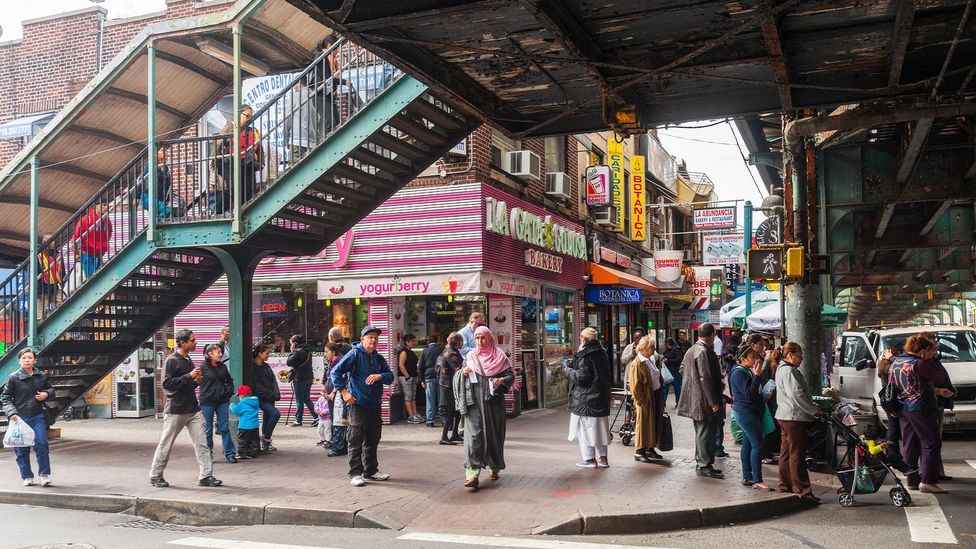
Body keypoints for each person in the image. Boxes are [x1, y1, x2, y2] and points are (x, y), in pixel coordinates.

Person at [149, 330, 223, 488]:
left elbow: (188, 384)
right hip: (175, 409)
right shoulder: (171, 361)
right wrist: (189, 376)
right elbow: (167, 384)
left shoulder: (188, 359)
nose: (196, 342)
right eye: (193, 340)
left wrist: (197, 381)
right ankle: (155, 475)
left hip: (193, 409)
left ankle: (206, 475)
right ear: (182, 343)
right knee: (166, 444)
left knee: (202, 443)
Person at [330, 325, 395, 487]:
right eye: (369, 337)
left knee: (373, 439)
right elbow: (335, 372)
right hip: (357, 404)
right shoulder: (355, 354)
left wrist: (380, 376)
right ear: (362, 339)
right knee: (355, 439)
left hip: (374, 404)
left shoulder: (378, 358)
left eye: (375, 337)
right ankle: (355, 473)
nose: (373, 340)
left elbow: (390, 377)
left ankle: (371, 470)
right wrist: (345, 393)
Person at [889, 335, 952, 493]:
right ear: (923, 351)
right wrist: (931, 360)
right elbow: (939, 377)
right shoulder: (919, 363)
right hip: (921, 407)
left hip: (903, 408)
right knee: (932, 442)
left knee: (910, 444)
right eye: (932, 351)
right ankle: (928, 481)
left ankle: (912, 480)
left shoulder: (896, 362)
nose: (933, 353)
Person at [458, 326, 517, 489]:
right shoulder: (470, 356)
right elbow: (458, 376)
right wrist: (463, 372)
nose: (480, 341)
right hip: (474, 404)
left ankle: (494, 466)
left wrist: (502, 380)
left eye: (483, 338)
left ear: (489, 338)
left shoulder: (500, 356)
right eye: (477, 338)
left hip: (493, 404)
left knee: (493, 435)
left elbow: (510, 376)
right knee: (473, 437)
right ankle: (472, 475)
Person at [773, 341, 822, 503]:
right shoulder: (789, 372)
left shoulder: (783, 370)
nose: (801, 359)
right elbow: (797, 394)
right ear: (790, 355)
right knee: (797, 454)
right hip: (793, 417)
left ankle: (786, 485)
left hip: (785, 415)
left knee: (786, 453)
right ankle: (802, 490)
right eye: (799, 356)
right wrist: (814, 410)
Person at [676, 323, 724, 479]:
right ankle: (704, 464)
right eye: (714, 335)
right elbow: (705, 378)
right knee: (705, 432)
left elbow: (682, 369)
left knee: (701, 431)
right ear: (710, 335)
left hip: (697, 397)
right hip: (703, 399)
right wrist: (713, 401)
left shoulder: (692, 349)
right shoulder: (703, 351)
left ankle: (702, 463)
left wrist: (692, 382)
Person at [1, 348, 54, 487]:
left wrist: (46, 394)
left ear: (34, 360)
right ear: (19, 360)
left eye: (30, 357)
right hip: (19, 418)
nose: (27, 360)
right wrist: (11, 412)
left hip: (37, 415)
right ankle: (27, 476)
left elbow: (51, 390)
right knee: (21, 448)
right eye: (24, 358)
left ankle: (44, 475)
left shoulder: (41, 375)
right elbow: (5, 398)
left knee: (41, 443)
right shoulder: (14, 377)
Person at [566, 327, 612, 468]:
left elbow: (582, 378)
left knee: (586, 430)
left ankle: (589, 459)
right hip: (600, 397)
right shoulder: (601, 352)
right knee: (601, 429)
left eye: (580, 337)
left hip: (585, 399)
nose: (579, 339)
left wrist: (567, 370)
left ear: (584, 339)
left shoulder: (584, 355)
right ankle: (603, 459)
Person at [730, 348, 771, 490]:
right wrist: (757, 376)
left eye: (756, 356)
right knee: (757, 445)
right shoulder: (738, 373)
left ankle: (748, 476)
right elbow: (749, 394)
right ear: (743, 358)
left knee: (748, 445)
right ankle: (758, 480)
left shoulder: (745, 371)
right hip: (746, 413)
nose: (756, 360)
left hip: (749, 412)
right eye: (752, 357)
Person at [918, 331, 955, 482]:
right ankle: (928, 473)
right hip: (927, 405)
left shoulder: (933, 360)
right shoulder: (921, 363)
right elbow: (917, 387)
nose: (936, 348)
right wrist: (941, 390)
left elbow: (942, 377)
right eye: (933, 345)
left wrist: (950, 388)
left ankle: (936, 471)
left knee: (935, 440)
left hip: (937, 403)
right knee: (930, 441)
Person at [214, 105, 262, 214]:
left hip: (247, 163)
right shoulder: (230, 126)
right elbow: (218, 143)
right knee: (232, 188)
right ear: (239, 114)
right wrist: (215, 164)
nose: (249, 118)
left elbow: (259, 147)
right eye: (247, 116)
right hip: (230, 162)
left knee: (249, 190)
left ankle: (243, 212)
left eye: (251, 116)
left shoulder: (252, 131)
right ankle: (218, 212)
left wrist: (260, 162)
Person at [198, 343, 237, 463]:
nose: (220, 354)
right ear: (210, 354)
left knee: (225, 428)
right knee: (208, 429)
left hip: (222, 401)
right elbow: (196, 382)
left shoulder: (222, 367)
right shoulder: (202, 367)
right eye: (218, 352)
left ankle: (230, 454)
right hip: (207, 402)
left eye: (221, 352)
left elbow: (229, 381)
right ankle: (208, 454)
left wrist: (228, 393)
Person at [629, 335, 665, 463]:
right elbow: (636, 385)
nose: (654, 349)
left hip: (654, 395)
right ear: (644, 348)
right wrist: (642, 401)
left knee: (652, 424)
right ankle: (640, 451)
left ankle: (650, 448)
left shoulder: (650, 359)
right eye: (652, 347)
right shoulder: (637, 363)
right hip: (645, 398)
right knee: (643, 425)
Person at [249, 341, 281, 452]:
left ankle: (265, 441)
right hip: (260, 398)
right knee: (275, 414)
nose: (269, 355)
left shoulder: (266, 366)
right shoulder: (253, 367)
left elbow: (273, 381)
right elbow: (256, 385)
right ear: (259, 353)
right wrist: (270, 394)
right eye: (267, 353)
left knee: (267, 418)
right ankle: (266, 438)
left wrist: (276, 393)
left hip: (270, 397)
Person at [437, 332, 464, 445]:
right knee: (451, 410)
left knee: (457, 409)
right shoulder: (451, 352)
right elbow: (457, 367)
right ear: (456, 342)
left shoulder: (452, 350)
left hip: (452, 384)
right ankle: (444, 437)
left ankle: (454, 434)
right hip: (448, 385)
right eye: (460, 341)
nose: (462, 343)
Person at [73, 202, 112, 278]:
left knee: (99, 278)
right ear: (96, 205)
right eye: (104, 204)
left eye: (107, 205)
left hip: (98, 253)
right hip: (87, 253)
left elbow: (109, 233)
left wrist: (104, 245)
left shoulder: (106, 220)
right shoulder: (86, 219)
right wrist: (78, 252)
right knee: (92, 279)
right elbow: (77, 237)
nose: (106, 207)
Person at [324, 343, 349, 457]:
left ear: (333, 352)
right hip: (332, 395)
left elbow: (340, 378)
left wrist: (333, 392)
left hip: (339, 396)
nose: (325, 355)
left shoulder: (340, 361)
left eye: (327, 352)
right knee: (336, 420)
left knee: (339, 420)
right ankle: (338, 444)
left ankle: (339, 446)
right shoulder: (331, 362)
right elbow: (329, 377)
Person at [287, 334, 317, 427]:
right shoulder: (308, 351)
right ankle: (317, 416)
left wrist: (292, 351)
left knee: (299, 400)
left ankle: (298, 420)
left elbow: (289, 362)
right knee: (306, 398)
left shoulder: (298, 352)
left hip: (299, 378)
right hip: (309, 377)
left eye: (291, 343)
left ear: (295, 344)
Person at [419, 335, 445, 428]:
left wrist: (422, 380)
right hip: (440, 377)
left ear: (427, 342)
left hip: (428, 377)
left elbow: (420, 366)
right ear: (437, 341)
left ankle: (430, 421)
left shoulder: (424, 351)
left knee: (430, 400)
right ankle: (443, 420)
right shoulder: (441, 350)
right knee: (441, 399)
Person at [397, 334, 422, 423]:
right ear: (407, 342)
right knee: (408, 396)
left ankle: (415, 413)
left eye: (414, 341)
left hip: (413, 376)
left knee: (413, 396)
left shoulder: (411, 351)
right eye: (412, 341)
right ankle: (411, 415)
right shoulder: (404, 352)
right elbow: (401, 364)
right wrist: (407, 376)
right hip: (406, 377)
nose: (414, 343)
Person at [230, 385, 260, 459]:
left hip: (244, 426)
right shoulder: (256, 401)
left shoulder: (243, 402)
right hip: (255, 425)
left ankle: (242, 454)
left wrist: (232, 405)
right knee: (253, 440)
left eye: (239, 396)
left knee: (242, 440)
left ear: (242, 395)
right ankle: (252, 453)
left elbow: (236, 412)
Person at [661, 338, 683, 407]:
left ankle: (678, 402)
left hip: (675, 371)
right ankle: (663, 402)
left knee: (677, 388)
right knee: (665, 388)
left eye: (666, 344)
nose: (665, 345)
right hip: (667, 371)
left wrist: (668, 360)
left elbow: (679, 359)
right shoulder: (666, 350)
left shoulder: (676, 349)